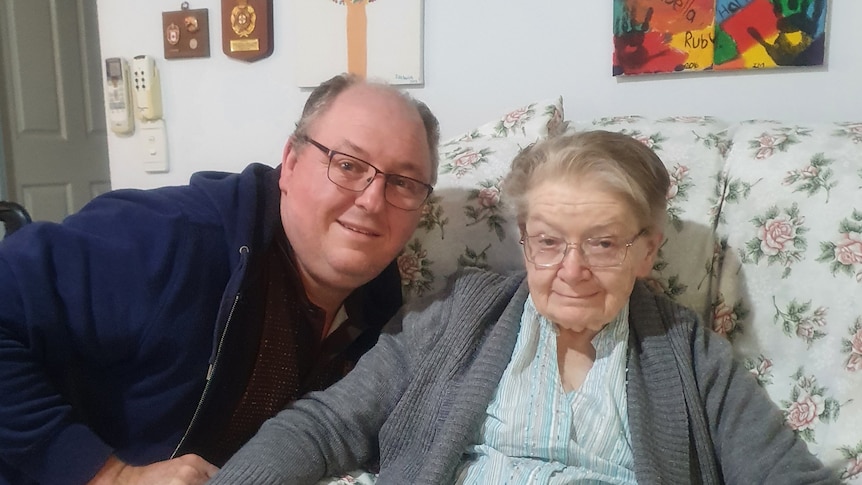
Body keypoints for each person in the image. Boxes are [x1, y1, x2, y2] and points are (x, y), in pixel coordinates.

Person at [212, 131, 837, 484]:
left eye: (603, 243)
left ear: (648, 250)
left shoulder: (690, 354)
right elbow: (326, 425)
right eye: (549, 241)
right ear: (524, 238)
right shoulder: (458, 314)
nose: (571, 271)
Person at [0, 73, 439, 485]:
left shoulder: (384, 306)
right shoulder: (174, 237)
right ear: (290, 162)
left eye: (403, 182)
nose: (372, 199)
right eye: (348, 165)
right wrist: (106, 474)